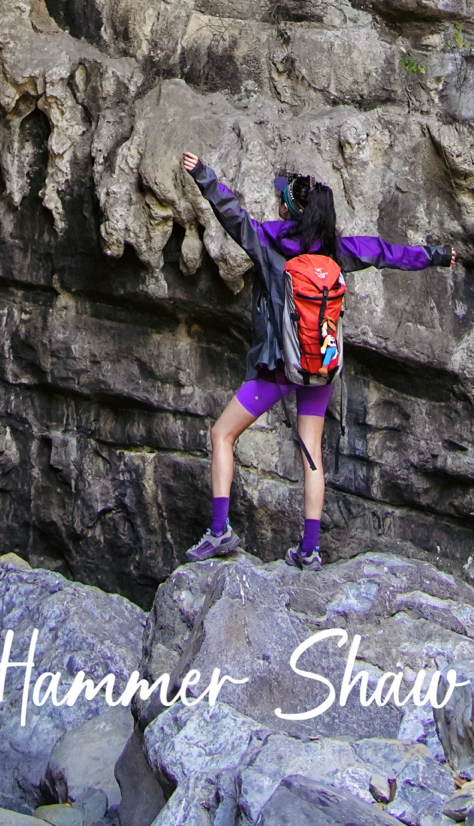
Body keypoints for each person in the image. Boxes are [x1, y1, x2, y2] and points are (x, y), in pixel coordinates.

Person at [180, 150, 457, 568]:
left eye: (281, 201)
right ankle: (309, 549)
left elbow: (231, 214)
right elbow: (387, 252)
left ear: (289, 210)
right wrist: (434, 256)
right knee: (312, 453)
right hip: (319, 369)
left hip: (278, 366)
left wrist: (204, 176)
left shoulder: (269, 243)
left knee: (222, 435)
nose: (276, 205)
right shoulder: (339, 253)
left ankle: (220, 532)